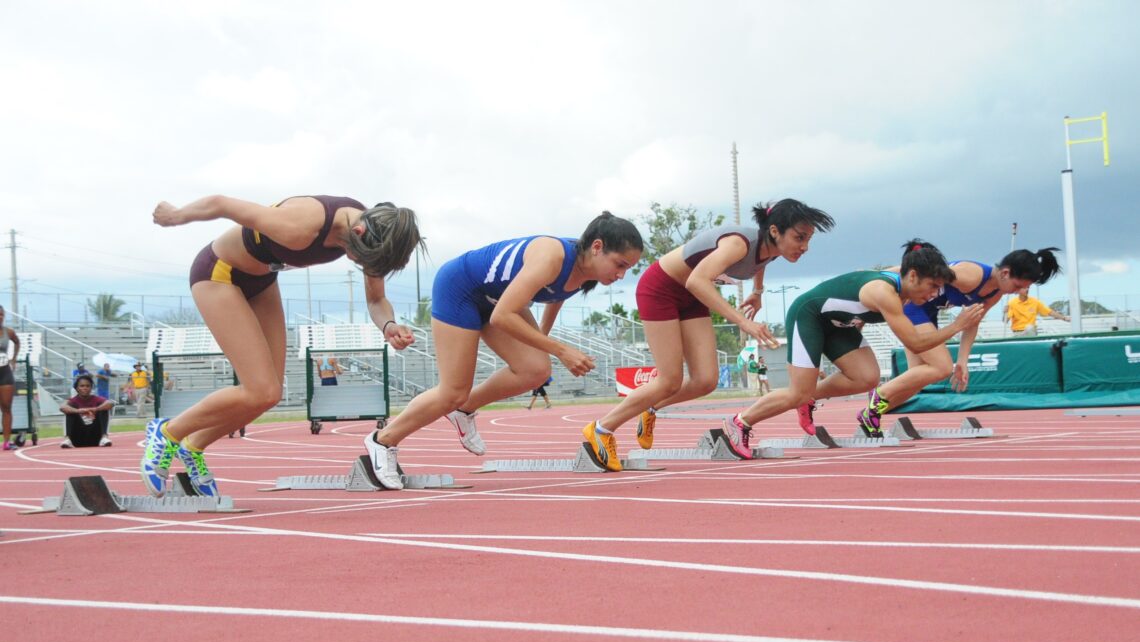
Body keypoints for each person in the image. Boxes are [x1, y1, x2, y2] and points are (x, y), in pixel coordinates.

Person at [145, 194, 422, 497]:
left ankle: (193, 444)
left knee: (268, 395)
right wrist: (176, 215)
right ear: (358, 232)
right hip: (219, 274)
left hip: (261, 281)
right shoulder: (301, 224)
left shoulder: (374, 231)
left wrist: (389, 325)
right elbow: (221, 203)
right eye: (359, 258)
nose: (359, 264)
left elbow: (376, 299)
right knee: (259, 388)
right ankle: (166, 432)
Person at [364, 212, 644, 488]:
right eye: (619, 264)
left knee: (536, 369)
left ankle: (464, 410)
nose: (621, 275)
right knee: (452, 391)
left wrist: (541, 340)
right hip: (460, 290)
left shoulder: (586, 272)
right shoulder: (552, 256)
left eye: (627, 269)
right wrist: (561, 350)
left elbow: (555, 296)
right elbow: (502, 316)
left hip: (496, 300)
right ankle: (383, 440)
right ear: (597, 247)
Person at [582, 199, 834, 471]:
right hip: (661, 289)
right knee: (670, 380)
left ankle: (651, 407)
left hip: (690, 296)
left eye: (808, 239)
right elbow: (697, 280)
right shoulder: (739, 244)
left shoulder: (771, 250)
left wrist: (757, 293)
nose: (804, 247)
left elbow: (760, 264)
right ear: (774, 231)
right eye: (799, 238)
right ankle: (601, 430)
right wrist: (744, 323)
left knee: (706, 380)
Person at [719, 241, 986, 458]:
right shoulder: (886, 293)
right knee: (797, 391)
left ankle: (808, 398)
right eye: (933, 287)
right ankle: (739, 421)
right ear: (913, 276)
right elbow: (915, 344)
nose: (933, 295)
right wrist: (958, 326)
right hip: (809, 316)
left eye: (939, 289)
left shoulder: (905, 285)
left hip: (838, 324)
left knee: (866, 378)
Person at [856, 247, 1065, 436]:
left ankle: (872, 415)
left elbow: (972, 323)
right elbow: (916, 269)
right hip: (914, 307)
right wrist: (875, 279)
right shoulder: (970, 275)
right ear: (1005, 273)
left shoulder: (996, 292)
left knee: (915, 382)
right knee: (941, 367)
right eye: (1017, 285)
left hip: (929, 313)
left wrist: (963, 361)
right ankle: (876, 401)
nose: (1017, 292)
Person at [59, 374, 115, 447]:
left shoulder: (97, 399)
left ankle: (104, 438)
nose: (85, 388)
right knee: (69, 410)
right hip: (78, 437)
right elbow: (62, 407)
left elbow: (110, 403)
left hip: (95, 436)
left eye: (87, 386)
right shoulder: (73, 401)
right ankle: (67, 439)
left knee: (104, 408)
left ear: (91, 388)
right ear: (77, 388)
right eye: (82, 386)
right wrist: (79, 411)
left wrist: (95, 409)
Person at [1004, 285, 1070, 336]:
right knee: (1028, 329)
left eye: (1028, 287)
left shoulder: (1035, 302)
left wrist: (1064, 318)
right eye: (1024, 288)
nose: (1027, 289)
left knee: (1029, 327)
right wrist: (1005, 312)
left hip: (1031, 332)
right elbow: (1005, 320)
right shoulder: (1012, 303)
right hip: (1017, 333)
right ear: (1018, 290)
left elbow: (1050, 312)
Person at [0, 305, 21, 451]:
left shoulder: (9, 332)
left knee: (6, 408)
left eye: (2, 315)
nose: (0, 317)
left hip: (5, 373)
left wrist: (13, 359)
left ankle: (6, 442)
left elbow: (17, 342)